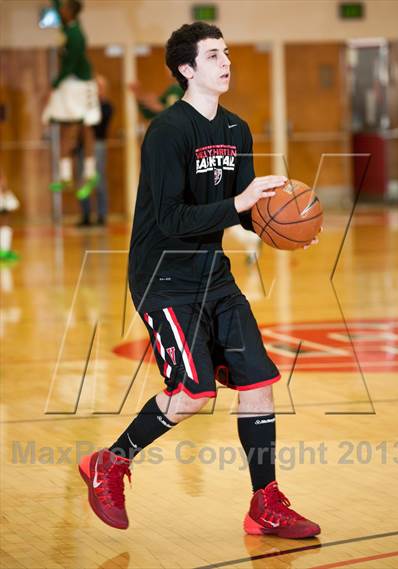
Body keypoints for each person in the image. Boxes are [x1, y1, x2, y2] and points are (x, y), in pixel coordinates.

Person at [78, 22, 320, 539]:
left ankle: (265, 503)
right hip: (162, 278)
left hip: (214, 275)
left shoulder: (236, 129)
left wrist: (291, 228)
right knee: (191, 393)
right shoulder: (167, 131)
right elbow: (170, 218)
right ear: (187, 69)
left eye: (226, 52)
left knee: (259, 385)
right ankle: (111, 462)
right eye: (213, 55)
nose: (225, 61)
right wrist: (239, 202)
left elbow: (240, 213)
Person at [42, 0, 101, 201]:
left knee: (85, 127)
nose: (60, 11)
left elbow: (70, 64)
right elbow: (58, 6)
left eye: (64, 8)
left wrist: (54, 84)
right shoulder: (67, 26)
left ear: (71, 11)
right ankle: (66, 176)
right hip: (70, 84)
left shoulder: (76, 34)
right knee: (67, 128)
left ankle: (91, 172)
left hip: (82, 85)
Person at [77, 75, 114, 226]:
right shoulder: (83, 107)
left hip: (98, 146)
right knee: (83, 180)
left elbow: (97, 125)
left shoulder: (107, 106)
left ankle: (101, 215)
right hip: (82, 147)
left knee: (98, 179)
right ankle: (85, 216)